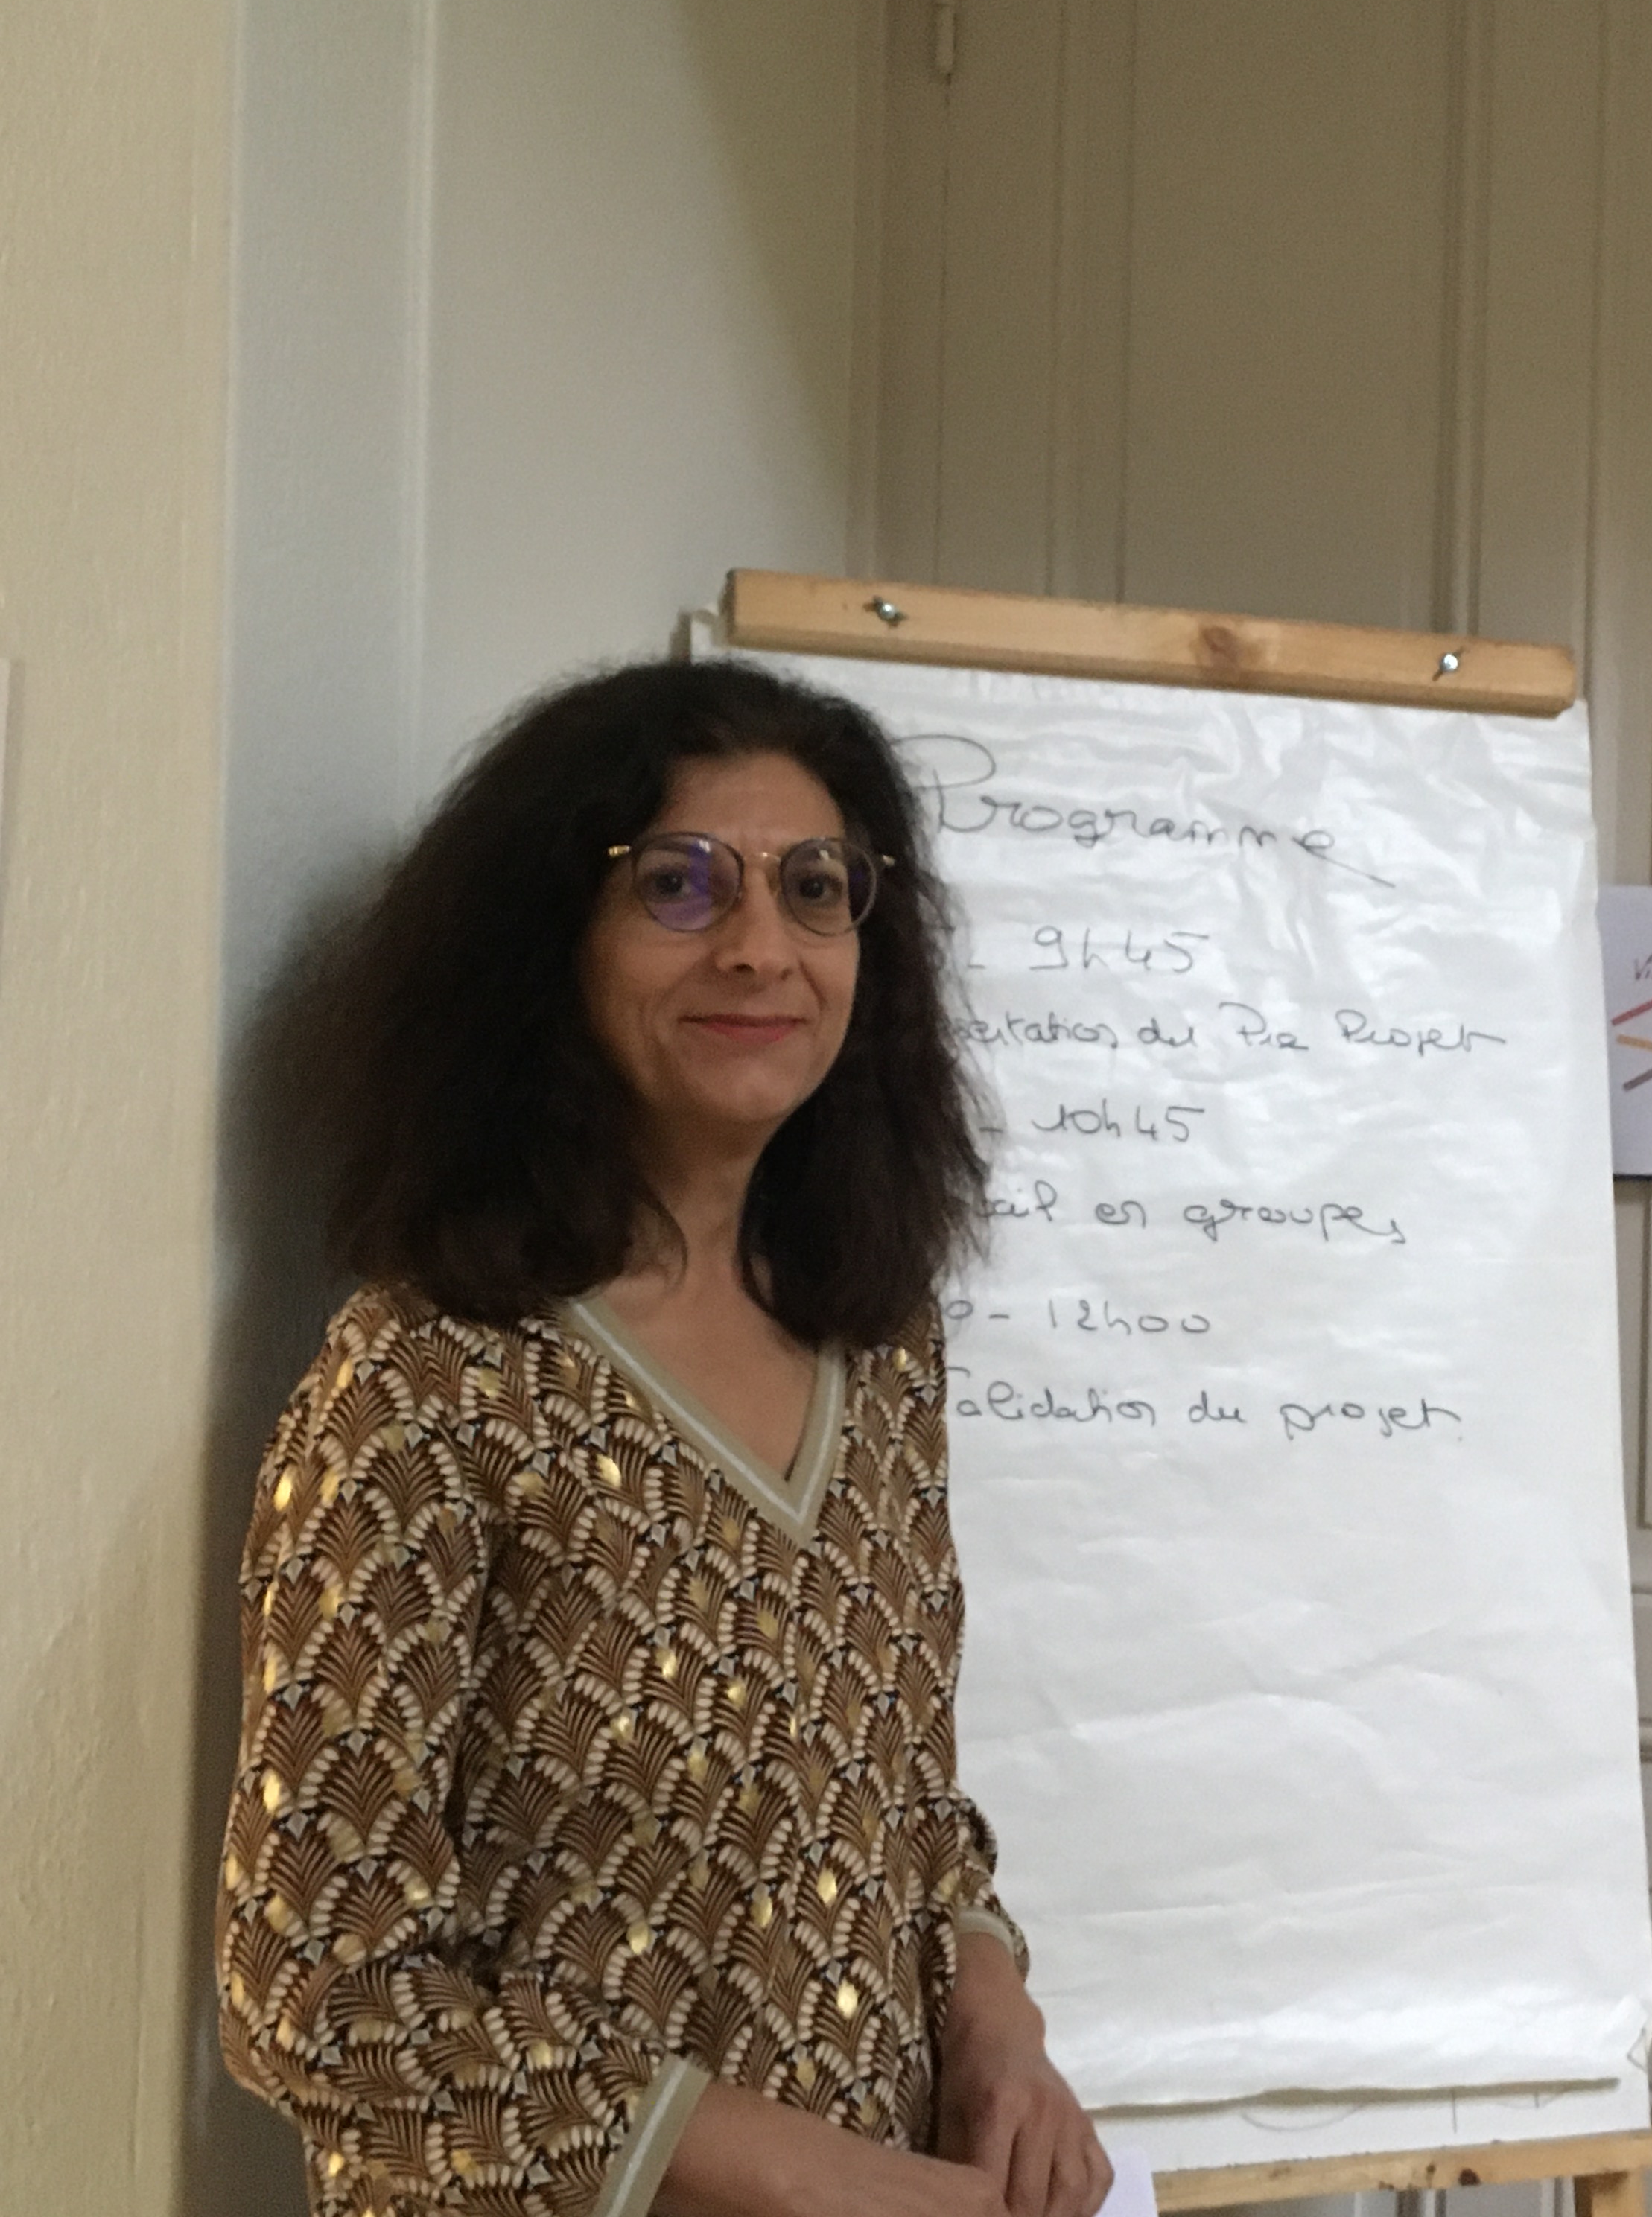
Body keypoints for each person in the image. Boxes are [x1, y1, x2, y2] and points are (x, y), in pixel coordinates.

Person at [217, 660, 1113, 2217]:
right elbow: (316, 1993)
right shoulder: (429, 1378)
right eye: (680, 885)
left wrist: (996, 2023)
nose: (759, 945)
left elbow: (899, 1801)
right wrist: (801, 2176)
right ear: (549, 942)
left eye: (813, 887)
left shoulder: (877, 1344)